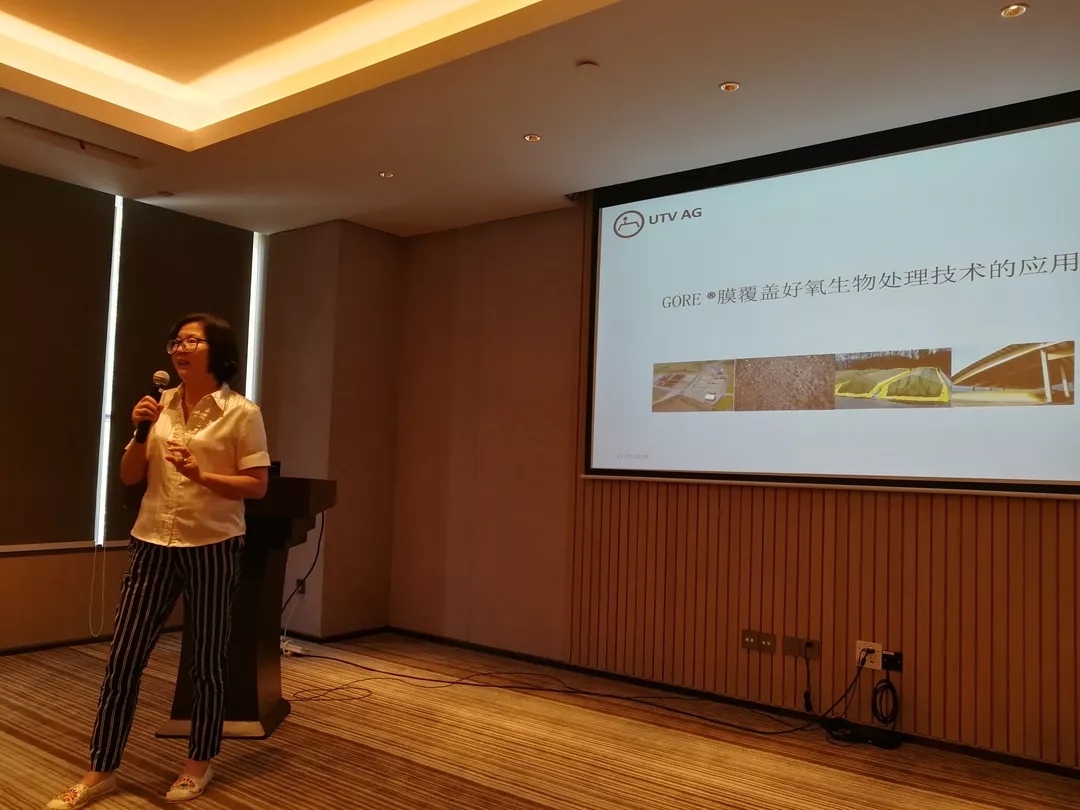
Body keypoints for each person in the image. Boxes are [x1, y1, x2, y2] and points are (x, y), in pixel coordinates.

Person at [48, 313, 270, 808]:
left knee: (207, 662)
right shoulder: (159, 406)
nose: (180, 348)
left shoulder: (242, 413)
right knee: (123, 659)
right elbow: (130, 475)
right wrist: (139, 432)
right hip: (151, 542)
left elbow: (257, 485)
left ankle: (198, 763)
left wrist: (203, 474)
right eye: (176, 341)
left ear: (218, 351)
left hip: (213, 545)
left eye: (192, 340)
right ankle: (100, 769)